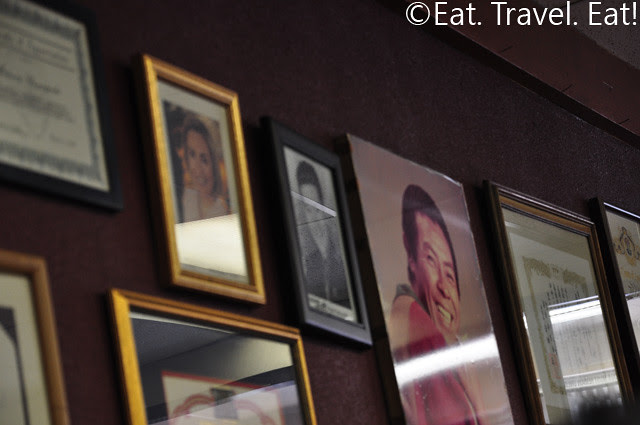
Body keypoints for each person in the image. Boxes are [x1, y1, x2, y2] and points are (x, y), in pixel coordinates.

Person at [390, 184, 481, 425]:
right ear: (411, 258)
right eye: (430, 259)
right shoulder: (418, 323)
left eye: (450, 274)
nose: (443, 286)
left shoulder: (453, 356)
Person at [294, 160, 351, 311]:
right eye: (308, 210)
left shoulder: (340, 252)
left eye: (317, 209)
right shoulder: (307, 261)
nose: (314, 220)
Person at [179, 115, 230, 222]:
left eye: (204, 160)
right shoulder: (186, 198)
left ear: (217, 166)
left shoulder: (224, 212)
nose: (197, 170)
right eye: (192, 154)